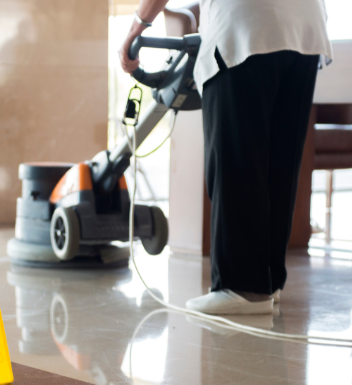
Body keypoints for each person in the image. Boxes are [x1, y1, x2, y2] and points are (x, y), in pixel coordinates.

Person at [119, 0, 332, 315]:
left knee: (237, 157)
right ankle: (267, 282)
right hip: (306, 26)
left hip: (245, 22)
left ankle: (241, 287)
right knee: (280, 162)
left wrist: (138, 25)